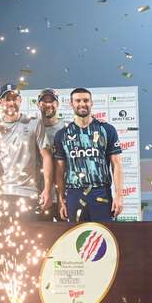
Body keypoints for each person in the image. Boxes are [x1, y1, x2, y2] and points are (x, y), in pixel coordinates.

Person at [0, 84, 54, 220]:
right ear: (1, 102)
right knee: (4, 240)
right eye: (7, 99)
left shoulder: (34, 123)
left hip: (29, 193)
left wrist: (47, 190)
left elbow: (46, 156)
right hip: (3, 193)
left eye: (14, 98)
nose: (11, 102)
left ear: (20, 100)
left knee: (29, 239)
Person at [54, 87, 124, 222]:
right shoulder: (62, 134)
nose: (82, 104)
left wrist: (119, 196)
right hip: (74, 193)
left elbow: (117, 164)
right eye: (77, 100)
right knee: (76, 239)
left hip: (101, 192)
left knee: (104, 238)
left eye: (86, 100)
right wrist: (61, 200)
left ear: (92, 103)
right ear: (71, 104)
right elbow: (59, 171)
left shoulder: (107, 129)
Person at [36, 89, 66, 221]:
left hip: (63, 196)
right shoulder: (32, 127)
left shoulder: (67, 128)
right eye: (44, 101)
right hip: (39, 195)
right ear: (38, 105)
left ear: (57, 104)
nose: (48, 105)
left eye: (52, 101)